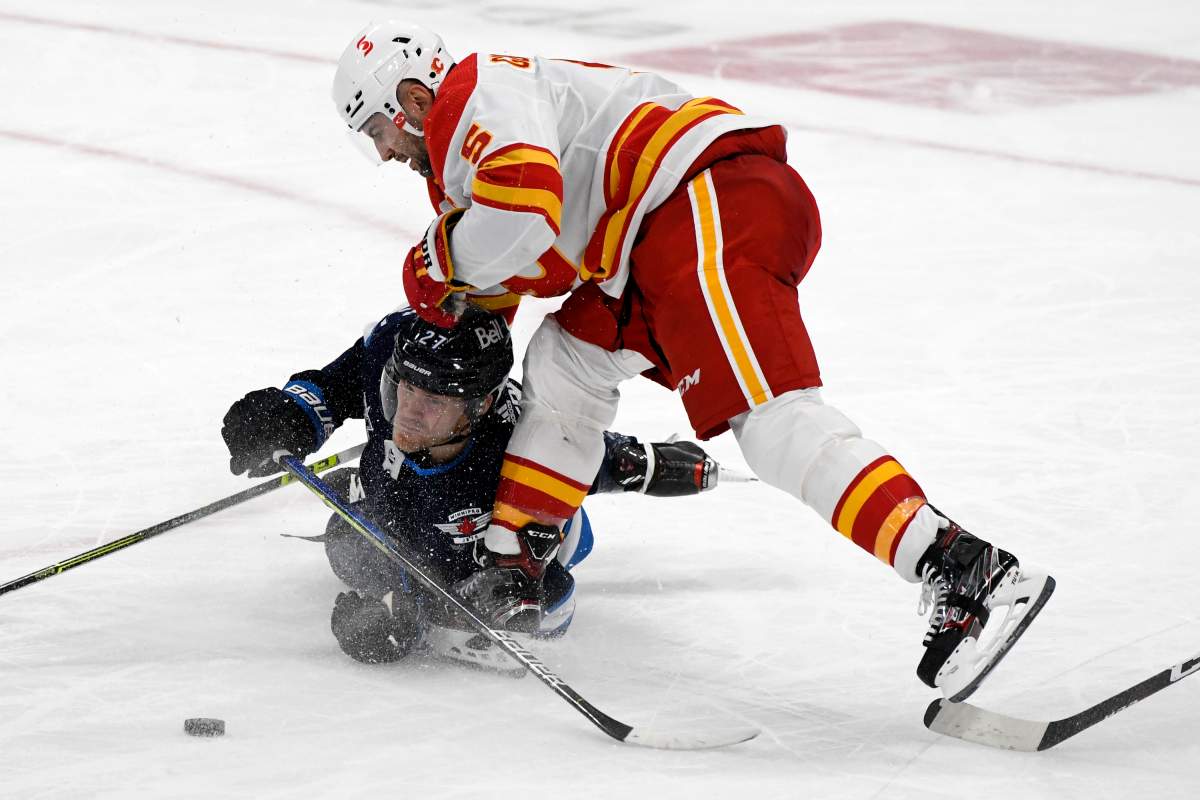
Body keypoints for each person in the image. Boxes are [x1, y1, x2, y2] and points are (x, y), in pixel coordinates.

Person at [329, 21, 1056, 701]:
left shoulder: (470, 99)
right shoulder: (475, 132)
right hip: (648, 243)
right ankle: (512, 563)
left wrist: (440, 258)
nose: (386, 152)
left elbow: (524, 214)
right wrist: (456, 301)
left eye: (379, 131)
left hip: (705, 200)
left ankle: (958, 564)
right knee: (564, 365)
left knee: (771, 425)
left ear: (414, 97)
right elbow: (541, 261)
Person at [220, 304, 718, 668]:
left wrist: (647, 463)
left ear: (480, 406)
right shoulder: (399, 348)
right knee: (346, 538)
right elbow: (338, 384)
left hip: (475, 540)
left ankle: (565, 531)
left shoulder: (516, 448)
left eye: (433, 402)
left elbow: (589, 456)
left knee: (487, 585)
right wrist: (291, 415)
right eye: (405, 390)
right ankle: (365, 492)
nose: (408, 413)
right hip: (396, 504)